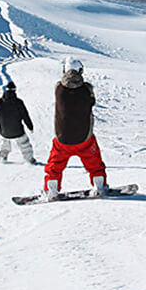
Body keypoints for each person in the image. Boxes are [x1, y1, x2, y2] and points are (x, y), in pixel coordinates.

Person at [42, 57, 108, 200]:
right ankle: (99, 186)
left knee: (55, 165)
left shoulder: (58, 88)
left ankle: (51, 189)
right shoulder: (87, 89)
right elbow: (92, 102)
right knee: (94, 162)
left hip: (62, 139)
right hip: (84, 138)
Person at [0, 81, 36, 164]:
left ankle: (2, 157)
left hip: (4, 131)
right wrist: (30, 126)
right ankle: (29, 159)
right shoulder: (18, 102)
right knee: (24, 144)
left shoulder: (0, 102)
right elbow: (25, 115)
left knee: (4, 144)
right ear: (15, 90)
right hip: (18, 131)